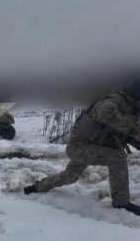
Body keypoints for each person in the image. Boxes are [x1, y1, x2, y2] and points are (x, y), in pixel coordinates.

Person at [24, 80, 140, 217]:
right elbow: (105, 112)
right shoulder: (117, 99)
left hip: (94, 146)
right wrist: (135, 131)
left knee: (69, 176)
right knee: (118, 158)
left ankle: (36, 187)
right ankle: (121, 203)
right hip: (79, 146)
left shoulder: (133, 108)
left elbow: (126, 135)